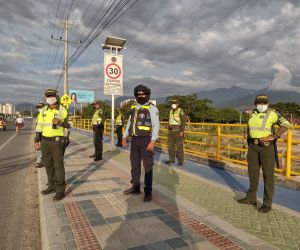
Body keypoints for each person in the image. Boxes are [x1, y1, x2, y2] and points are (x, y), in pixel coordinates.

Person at [237, 94, 290, 213]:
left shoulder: (272, 113)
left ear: (267, 104)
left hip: (266, 148)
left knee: (268, 176)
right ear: (255, 104)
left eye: (264, 103)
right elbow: (251, 127)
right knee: (252, 174)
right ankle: (251, 198)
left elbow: (286, 124)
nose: (261, 105)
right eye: (259, 103)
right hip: (252, 146)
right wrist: (247, 134)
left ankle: (267, 203)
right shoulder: (252, 113)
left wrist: (274, 136)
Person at [122, 84, 160, 202]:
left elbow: (156, 125)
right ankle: (136, 187)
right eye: (139, 94)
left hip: (146, 140)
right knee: (135, 166)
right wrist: (124, 136)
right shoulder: (134, 107)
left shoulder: (152, 108)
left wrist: (152, 141)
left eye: (143, 94)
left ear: (147, 95)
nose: (141, 96)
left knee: (147, 167)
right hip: (135, 140)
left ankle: (148, 192)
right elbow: (130, 122)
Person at [34, 89, 69, 201]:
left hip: (57, 141)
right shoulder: (43, 110)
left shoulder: (62, 110)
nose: (49, 98)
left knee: (58, 165)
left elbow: (69, 125)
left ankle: (60, 190)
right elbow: (39, 126)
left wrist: (60, 123)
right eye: (47, 96)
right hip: (45, 142)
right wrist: (36, 140)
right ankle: (52, 185)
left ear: (56, 97)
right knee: (48, 164)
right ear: (45, 97)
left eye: (51, 96)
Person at [165, 99, 186, 166]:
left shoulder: (180, 111)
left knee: (179, 146)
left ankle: (180, 161)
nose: (173, 105)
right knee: (171, 147)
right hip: (171, 131)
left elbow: (183, 122)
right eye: (172, 103)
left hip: (178, 131)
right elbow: (170, 120)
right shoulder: (170, 111)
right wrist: (168, 128)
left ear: (177, 104)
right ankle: (171, 160)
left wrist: (182, 131)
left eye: (175, 103)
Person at [34, 102, 45, 168]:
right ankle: (42, 161)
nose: (39, 109)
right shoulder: (39, 115)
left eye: (40, 107)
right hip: (41, 135)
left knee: (43, 150)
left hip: (44, 135)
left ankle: (42, 162)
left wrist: (36, 140)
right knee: (42, 150)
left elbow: (39, 128)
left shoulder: (42, 115)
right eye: (38, 108)